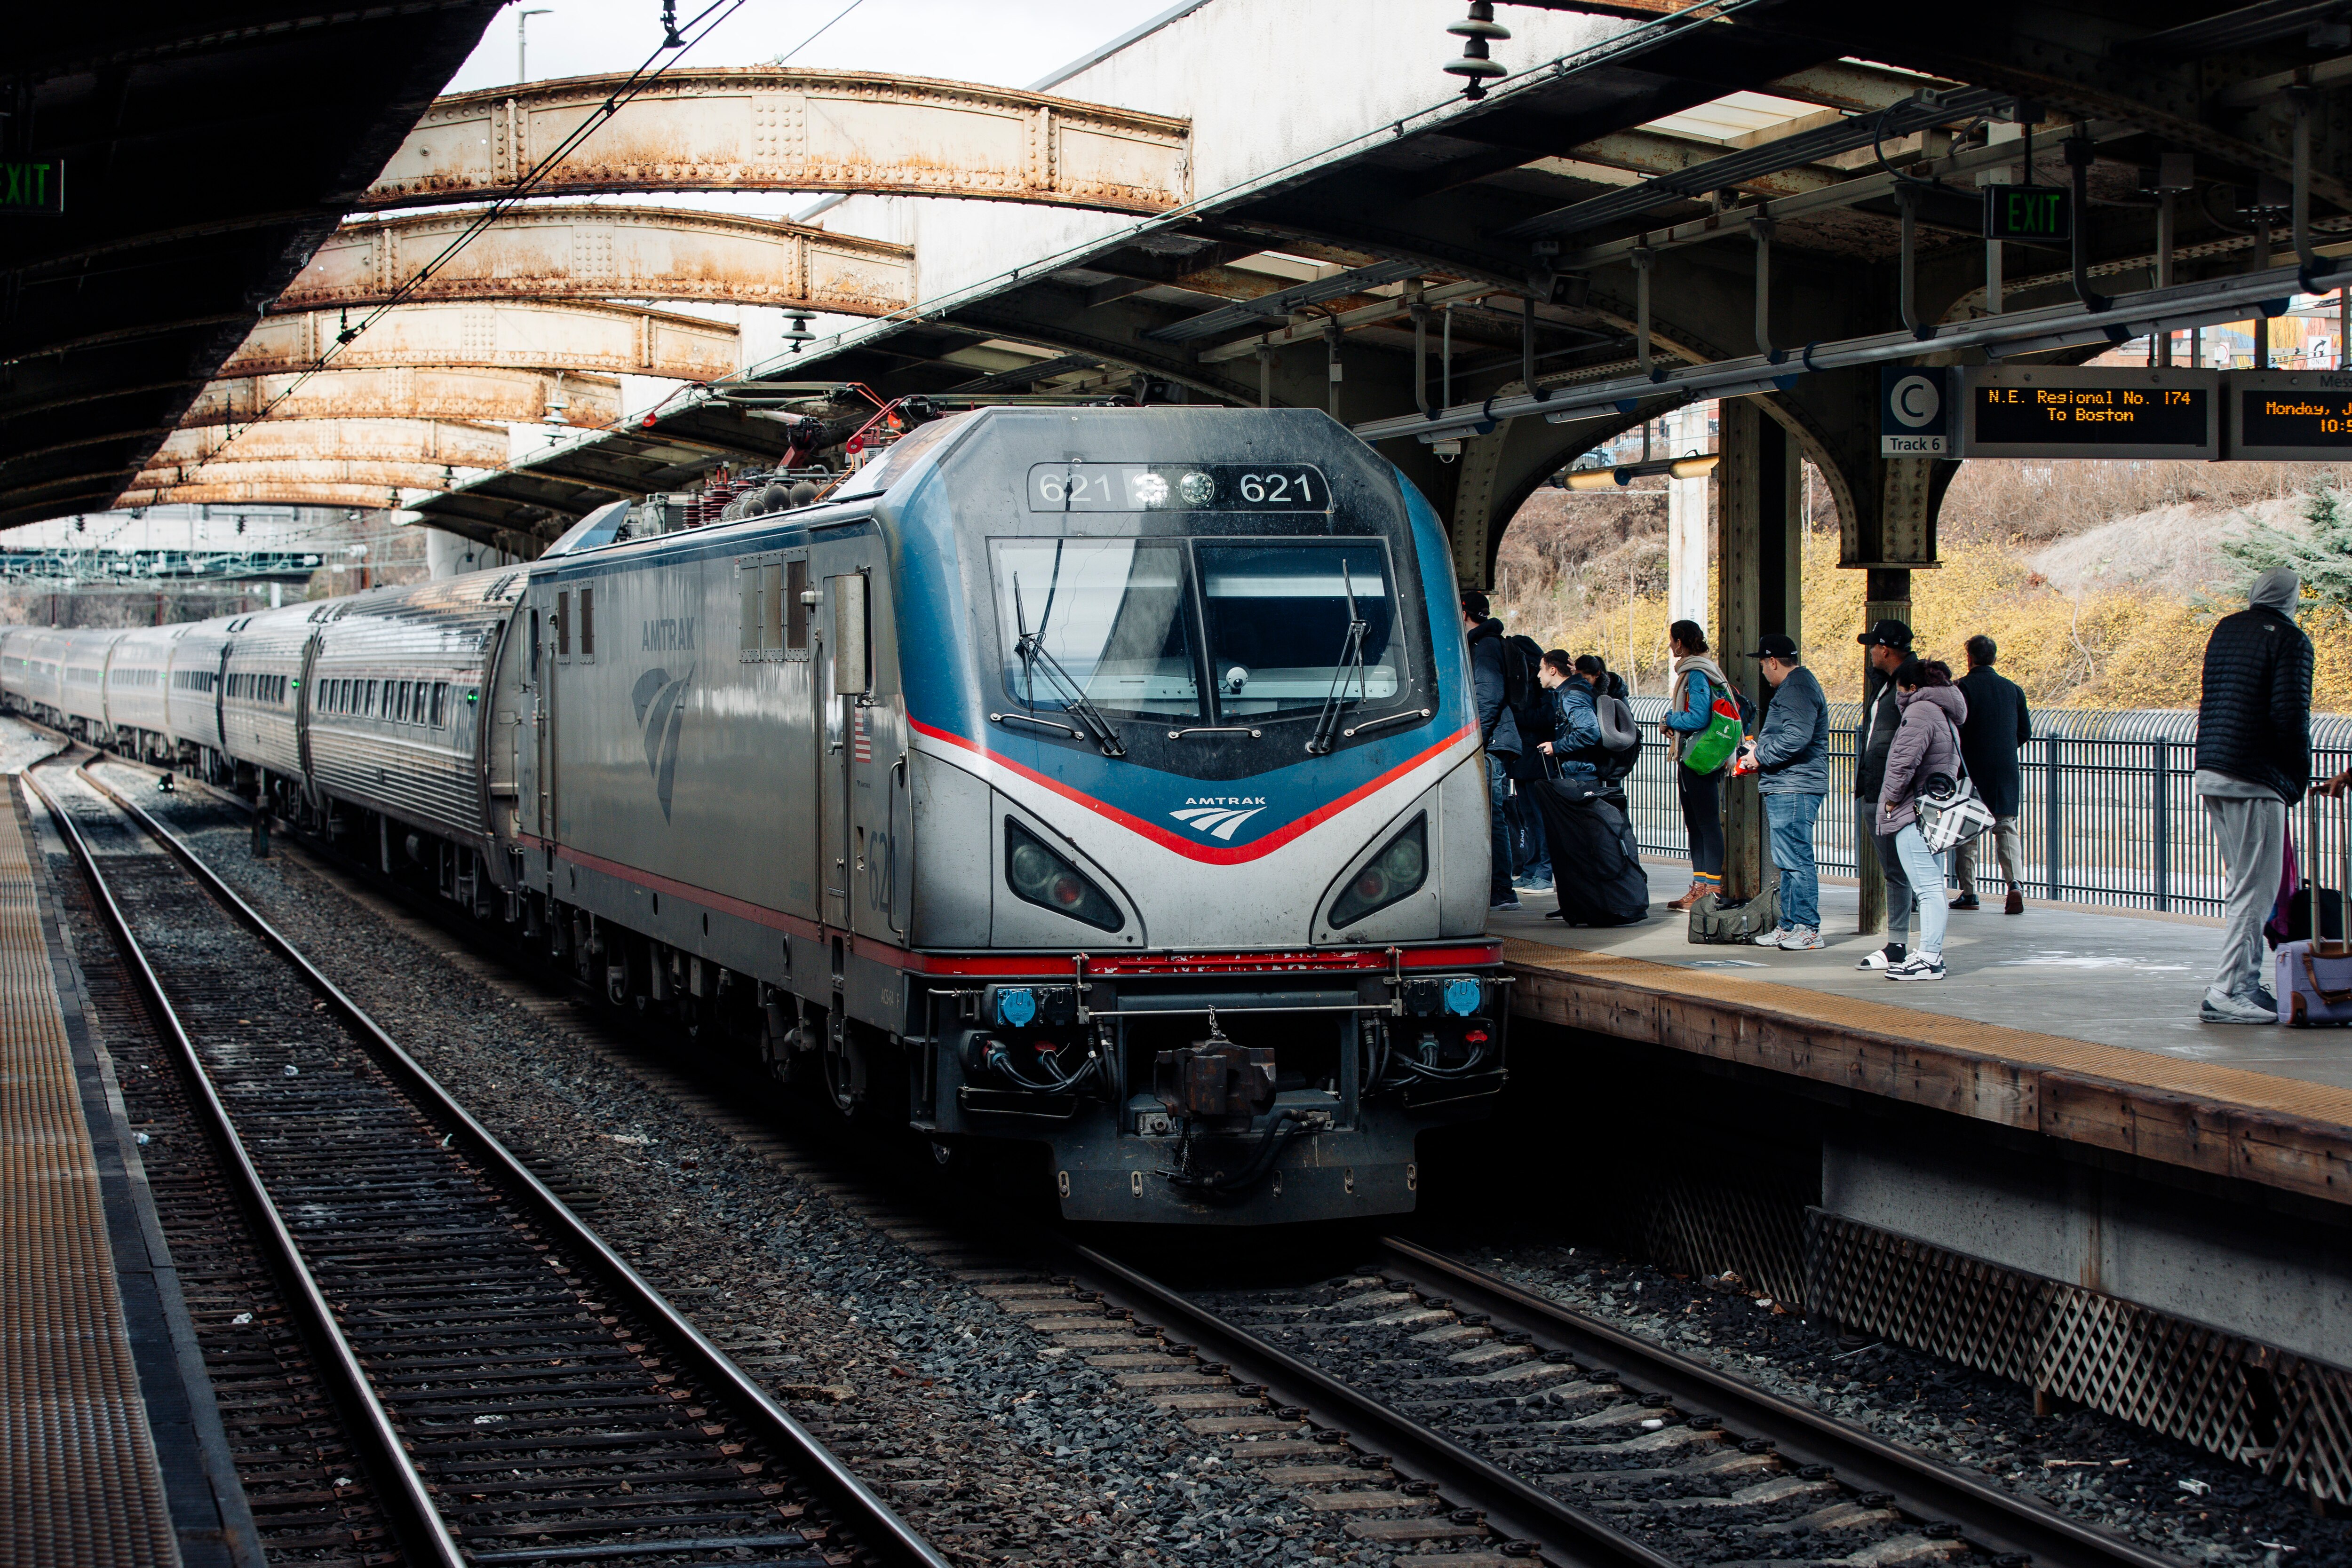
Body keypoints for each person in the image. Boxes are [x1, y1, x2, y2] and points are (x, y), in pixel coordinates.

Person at [2194, 567, 2314, 1024]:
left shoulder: (2226, 628)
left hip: (2212, 767)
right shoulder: (2289, 639)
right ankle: (2226, 990)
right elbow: (2289, 714)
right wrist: (2294, 776)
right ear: (2290, 598)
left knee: (2243, 884)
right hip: (2255, 777)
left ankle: (2245, 982)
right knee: (2255, 890)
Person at [1876, 657, 1969, 981]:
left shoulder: (1920, 711)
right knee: (1933, 885)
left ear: (1912, 688)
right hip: (1934, 810)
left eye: (1900, 690)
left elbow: (1903, 762)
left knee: (1928, 888)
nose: (1898, 698)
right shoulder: (1944, 711)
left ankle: (1929, 958)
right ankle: (1931, 954)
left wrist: (1889, 800)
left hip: (1913, 811)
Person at [1740, 634, 1830, 950]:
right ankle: (1790, 925)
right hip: (1789, 784)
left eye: (1763, 665)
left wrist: (1759, 756)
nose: (1763, 673)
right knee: (1788, 859)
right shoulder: (1798, 688)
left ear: (1773, 662)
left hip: (1795, 785)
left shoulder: (1796, 689)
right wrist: (1760, 748)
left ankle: (1807, 928)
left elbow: (1796, 737)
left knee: (1796, 858)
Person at [1952, 634, 2033, 914]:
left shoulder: (1961, 688)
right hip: (2005, 770)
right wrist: (2005, 749)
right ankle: (2015, 885)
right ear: (1995, 658)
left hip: (1971, 769)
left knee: (1968, 831)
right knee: (2006, 828)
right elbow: (2025, 732)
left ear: (1969, 658)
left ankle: (1969, 892)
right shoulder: (2013, 690)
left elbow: (1954, 729)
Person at [1853, 619, 1916, 971]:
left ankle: (1905, 945)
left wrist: (1896, 789)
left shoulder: (1912, 684)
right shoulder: (1889, 685)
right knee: (1896, 870)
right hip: (1878, 787)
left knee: (1903, 872)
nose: (1871, 653)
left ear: (1886, 649)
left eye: (1873, 647)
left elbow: (1914, 738)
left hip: (1893, 793)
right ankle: (1898, 942)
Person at [1661, 621, 1730, 911]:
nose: (1670, 646)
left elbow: (1698, 717)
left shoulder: (1697, 674)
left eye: (1672, 641)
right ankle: (1701, 887)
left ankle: (1710, 890)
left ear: (1680, 642)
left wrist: (1669, 720)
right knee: (1697, 824)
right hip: (1697, 754)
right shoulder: (1703, 669)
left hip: (1699, 756)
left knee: (1705, 824)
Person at [1464, 591, 1525, 913]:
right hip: (1497, 741)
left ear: (1464, 612)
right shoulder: (1486, 643)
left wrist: (1476, 739)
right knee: (1492, 814)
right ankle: (1499, 887)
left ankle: (1501, 889)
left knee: (1492, 816)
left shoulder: (1484, 647)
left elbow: (1488, 695)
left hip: (1491, 743)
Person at [1535, 649, 1603, 786]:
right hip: (1583, 772)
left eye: (1542, 669)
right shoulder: (1579, 688)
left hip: (1580, 775)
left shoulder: (1572, 696)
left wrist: (1556, 747)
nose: (1539, 675)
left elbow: (1589, 732)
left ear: (1553, 670)